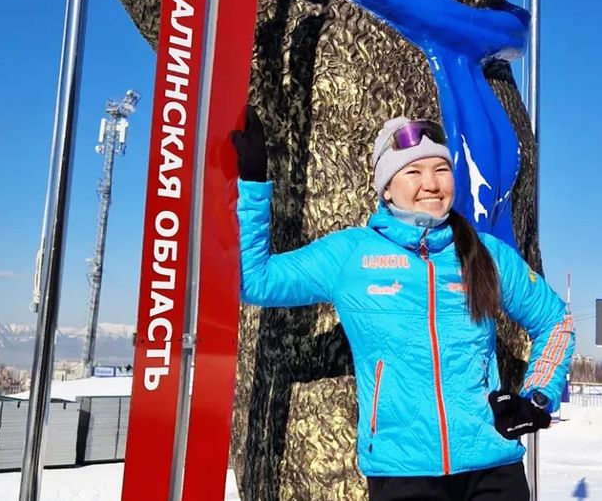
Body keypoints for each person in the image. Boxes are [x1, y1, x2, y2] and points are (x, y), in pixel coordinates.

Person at [232, 114, 575, 501]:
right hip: (403, 474)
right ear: (387, 189)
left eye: (441, 169)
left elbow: (555, 320)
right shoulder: (352, 254)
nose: (431, 184)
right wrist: (254, 183)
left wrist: (537, 397)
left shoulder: (486, 254)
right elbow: (254, 280)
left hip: (493, 468)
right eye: (413, 171)